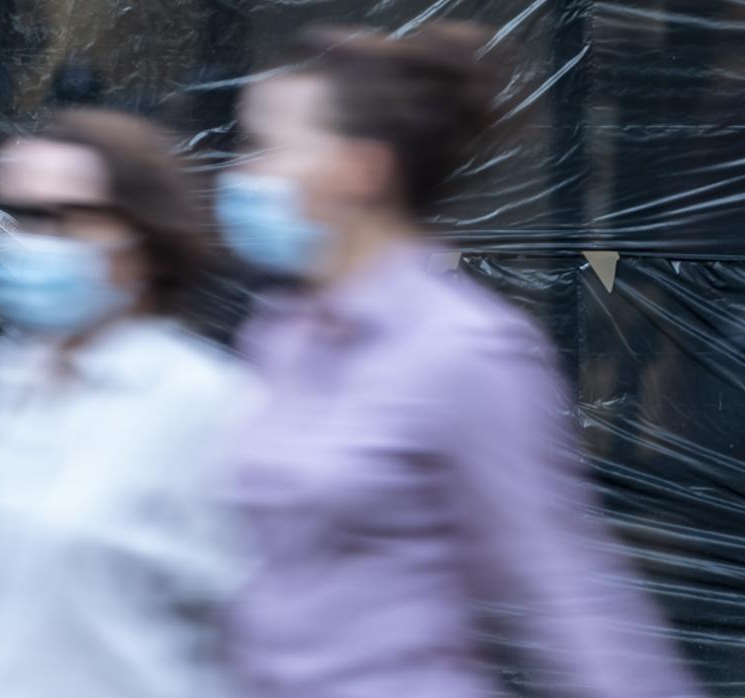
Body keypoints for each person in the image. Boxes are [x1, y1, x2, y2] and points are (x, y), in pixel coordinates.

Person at [214, 25, 703, 697]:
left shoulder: (465, 352)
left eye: (264, 148)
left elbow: (562, 589)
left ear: (362, 169)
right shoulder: (280, 333)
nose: (242, 175)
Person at [0, 109, 253, 698]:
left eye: (62, 219)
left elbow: (262, 622)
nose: (29, 241)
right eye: (14, 216)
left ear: (143, 237)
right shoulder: (3, 378)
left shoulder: (206, 403)